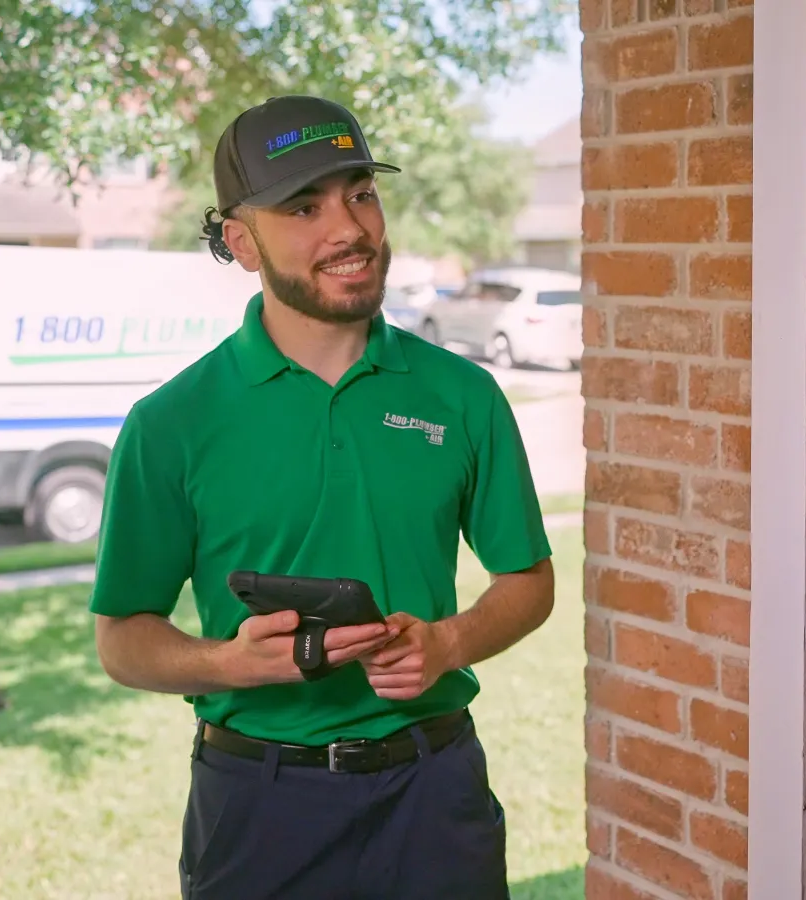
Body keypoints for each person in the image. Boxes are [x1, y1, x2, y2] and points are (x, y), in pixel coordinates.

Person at [89, 95, 554, 900]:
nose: (349, 229)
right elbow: (123, 639)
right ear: (240, 241)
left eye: (360, 194)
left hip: (434, 790)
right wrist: (229, 662)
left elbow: (530, 581)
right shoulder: (172, 423)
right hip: (260, 804)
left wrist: (448, 642)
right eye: (305, 206)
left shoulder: (464, 395)